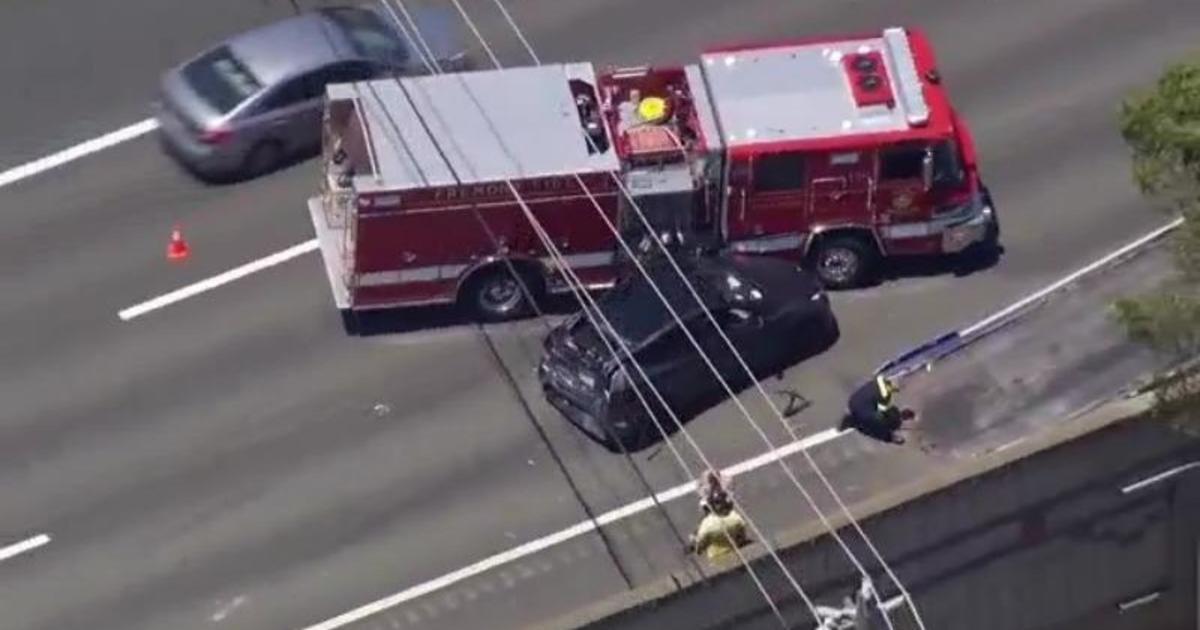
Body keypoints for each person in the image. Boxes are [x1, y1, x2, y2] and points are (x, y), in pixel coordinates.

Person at [845, 374, 915, 444]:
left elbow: (875, 432)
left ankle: (897, 419)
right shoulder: (858, 410)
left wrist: (891, 437)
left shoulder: (864, 420)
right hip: (875, 414)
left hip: (875, 414)